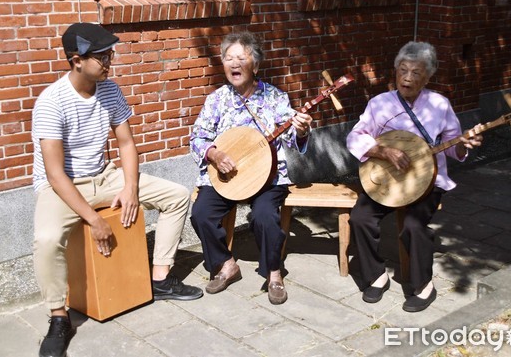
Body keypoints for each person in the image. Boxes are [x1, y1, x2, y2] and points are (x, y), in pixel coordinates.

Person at [32, 23, 203, 357]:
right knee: (47, 240)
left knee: (177, 196)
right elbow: (54, 174)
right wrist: (94, 221)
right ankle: (58, 316)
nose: (108, 61)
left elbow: (126, 144)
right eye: (100, 56)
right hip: (62, 187)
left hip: (103, 176)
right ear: (76, 60)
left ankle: (159, 278)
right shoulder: (51, 102)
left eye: (109, 54)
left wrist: (130, 187)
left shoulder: (109, 90)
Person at [346, 41, 483, 312]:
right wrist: (383, 151)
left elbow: (453, 146)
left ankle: (423, 286)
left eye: (416, 72)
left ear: (428, 77)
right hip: (388, 180)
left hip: (427, 181)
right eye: (403, 70)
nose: (407, 78)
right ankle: (376, 275)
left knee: (412, 225)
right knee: (360, 218)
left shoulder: (439, 104)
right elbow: (355, 136)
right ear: (395, 71)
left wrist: (463, 144)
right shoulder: (380, 103)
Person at [189, 31, 312, 305]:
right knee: (201, 213)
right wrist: (214, 154)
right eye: (228, 58)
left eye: (241, 58)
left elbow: (292, 138)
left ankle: (274, 272)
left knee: (264, 216)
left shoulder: (275, 98)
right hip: (228, 175)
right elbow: (198, 137)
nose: (234, 63)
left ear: (254, 65)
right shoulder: (217, 100)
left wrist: (301, 130)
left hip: (267, 176)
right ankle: (225, 264)